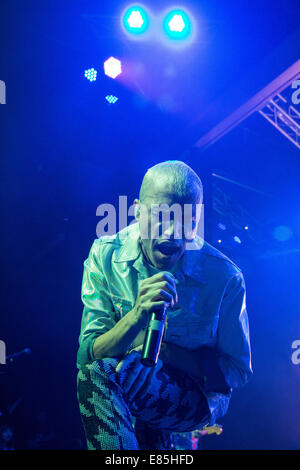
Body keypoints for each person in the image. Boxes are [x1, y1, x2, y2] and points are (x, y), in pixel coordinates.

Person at [76, 160, 252, 450]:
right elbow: (87, 356)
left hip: (195, 397)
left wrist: (165, 354)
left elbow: (238, 371)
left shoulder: (224, 277)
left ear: (197, 220)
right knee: (99, 373)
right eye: (160, 216)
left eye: (185, 221)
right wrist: (136, 316)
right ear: (136, 211)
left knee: (128, 369)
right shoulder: (105, 255)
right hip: (127, 384)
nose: (171, 233)